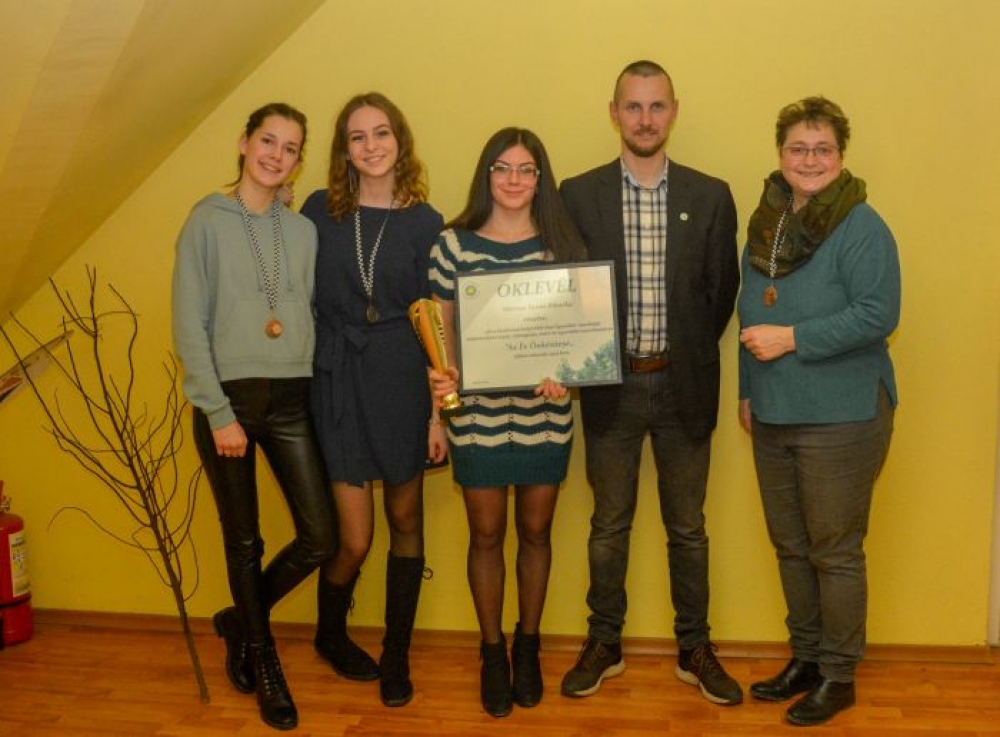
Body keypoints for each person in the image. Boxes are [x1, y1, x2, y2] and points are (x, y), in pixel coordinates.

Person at [558, 60, 743, 706]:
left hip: (683, 385)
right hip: (611, 388)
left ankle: (695, 647)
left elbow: (720, 294)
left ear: (674, 111)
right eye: (632, 106)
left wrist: (681, 351)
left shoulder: (710, 195)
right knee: (608, 525)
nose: (644, 119)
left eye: (656, 106)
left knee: (688, 527)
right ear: (614, 113)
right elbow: (567, 292)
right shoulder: (577, 194)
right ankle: (603, 642)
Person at [172, 102, 335, 731]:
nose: (277, 155)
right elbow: (189, 325)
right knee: (245, 541)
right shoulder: (205, 221)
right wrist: (217, 412)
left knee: (319, 536)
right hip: (229, 403)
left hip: (291, 399)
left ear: (298, 160)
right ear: (244, 143)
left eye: (291, 148)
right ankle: (264, 658)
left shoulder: (302, 231)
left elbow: (305, 311)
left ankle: (240, 621)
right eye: (268, 141)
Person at [738, 96, 899, 727]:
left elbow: (877, 314)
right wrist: (747, 389)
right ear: (781, 154)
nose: (810, 160)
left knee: (834, 551)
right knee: (791, 546)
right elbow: (749, 309)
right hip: (773, 408)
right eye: (798, 148)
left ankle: (838, 674)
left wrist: (793, 339)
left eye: (822, 149)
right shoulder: (768, 222)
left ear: (841, 156)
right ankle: (805, 659)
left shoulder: (861, 225)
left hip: (843, 415)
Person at [428, 128, 587, 718]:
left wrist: (569, 372)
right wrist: (439, 406)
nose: (514, 180)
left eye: (526, 169)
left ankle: (529, 645)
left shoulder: (562, 243)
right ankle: (492, 651)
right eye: (502, 168)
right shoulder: (453, 245)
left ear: (540, 179)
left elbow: (579, 335)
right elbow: (439, 335)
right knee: (486, 535)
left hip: (545, 415)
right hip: (476, 417)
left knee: (537, 532)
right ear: (486, 175)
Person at [301, 92, 446, 708]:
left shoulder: (426, 221)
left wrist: (439, 415)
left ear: (400, 140)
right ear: (344, 150)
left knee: (406, 520)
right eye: (357, 137)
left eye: (381, 133)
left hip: (401, 376)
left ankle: (397, 653)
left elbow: (436, 323)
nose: (371, 146)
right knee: (354, 538)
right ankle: (330, 633)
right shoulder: (318, 210)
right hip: (336, 374)